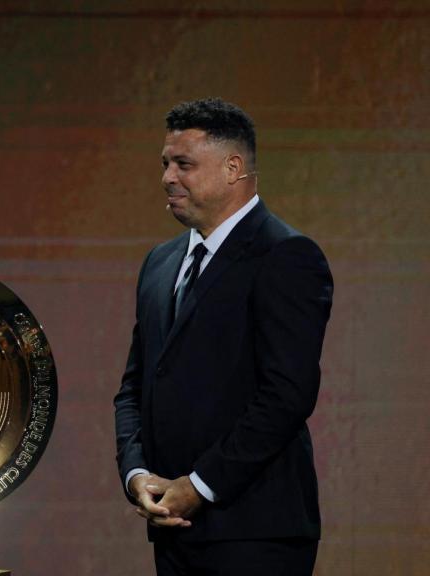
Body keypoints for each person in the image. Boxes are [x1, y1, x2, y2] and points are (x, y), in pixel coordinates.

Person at [114, 98, 333, 575]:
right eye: (165, 164)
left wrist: (199, 485)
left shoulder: (286, 257)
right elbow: (135, 387)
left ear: (234, 168)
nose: (168, 177)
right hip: (173, 531)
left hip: (256, 531)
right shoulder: (159, 263)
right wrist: (137, 475)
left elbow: (287, 396)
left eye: (183, 164)